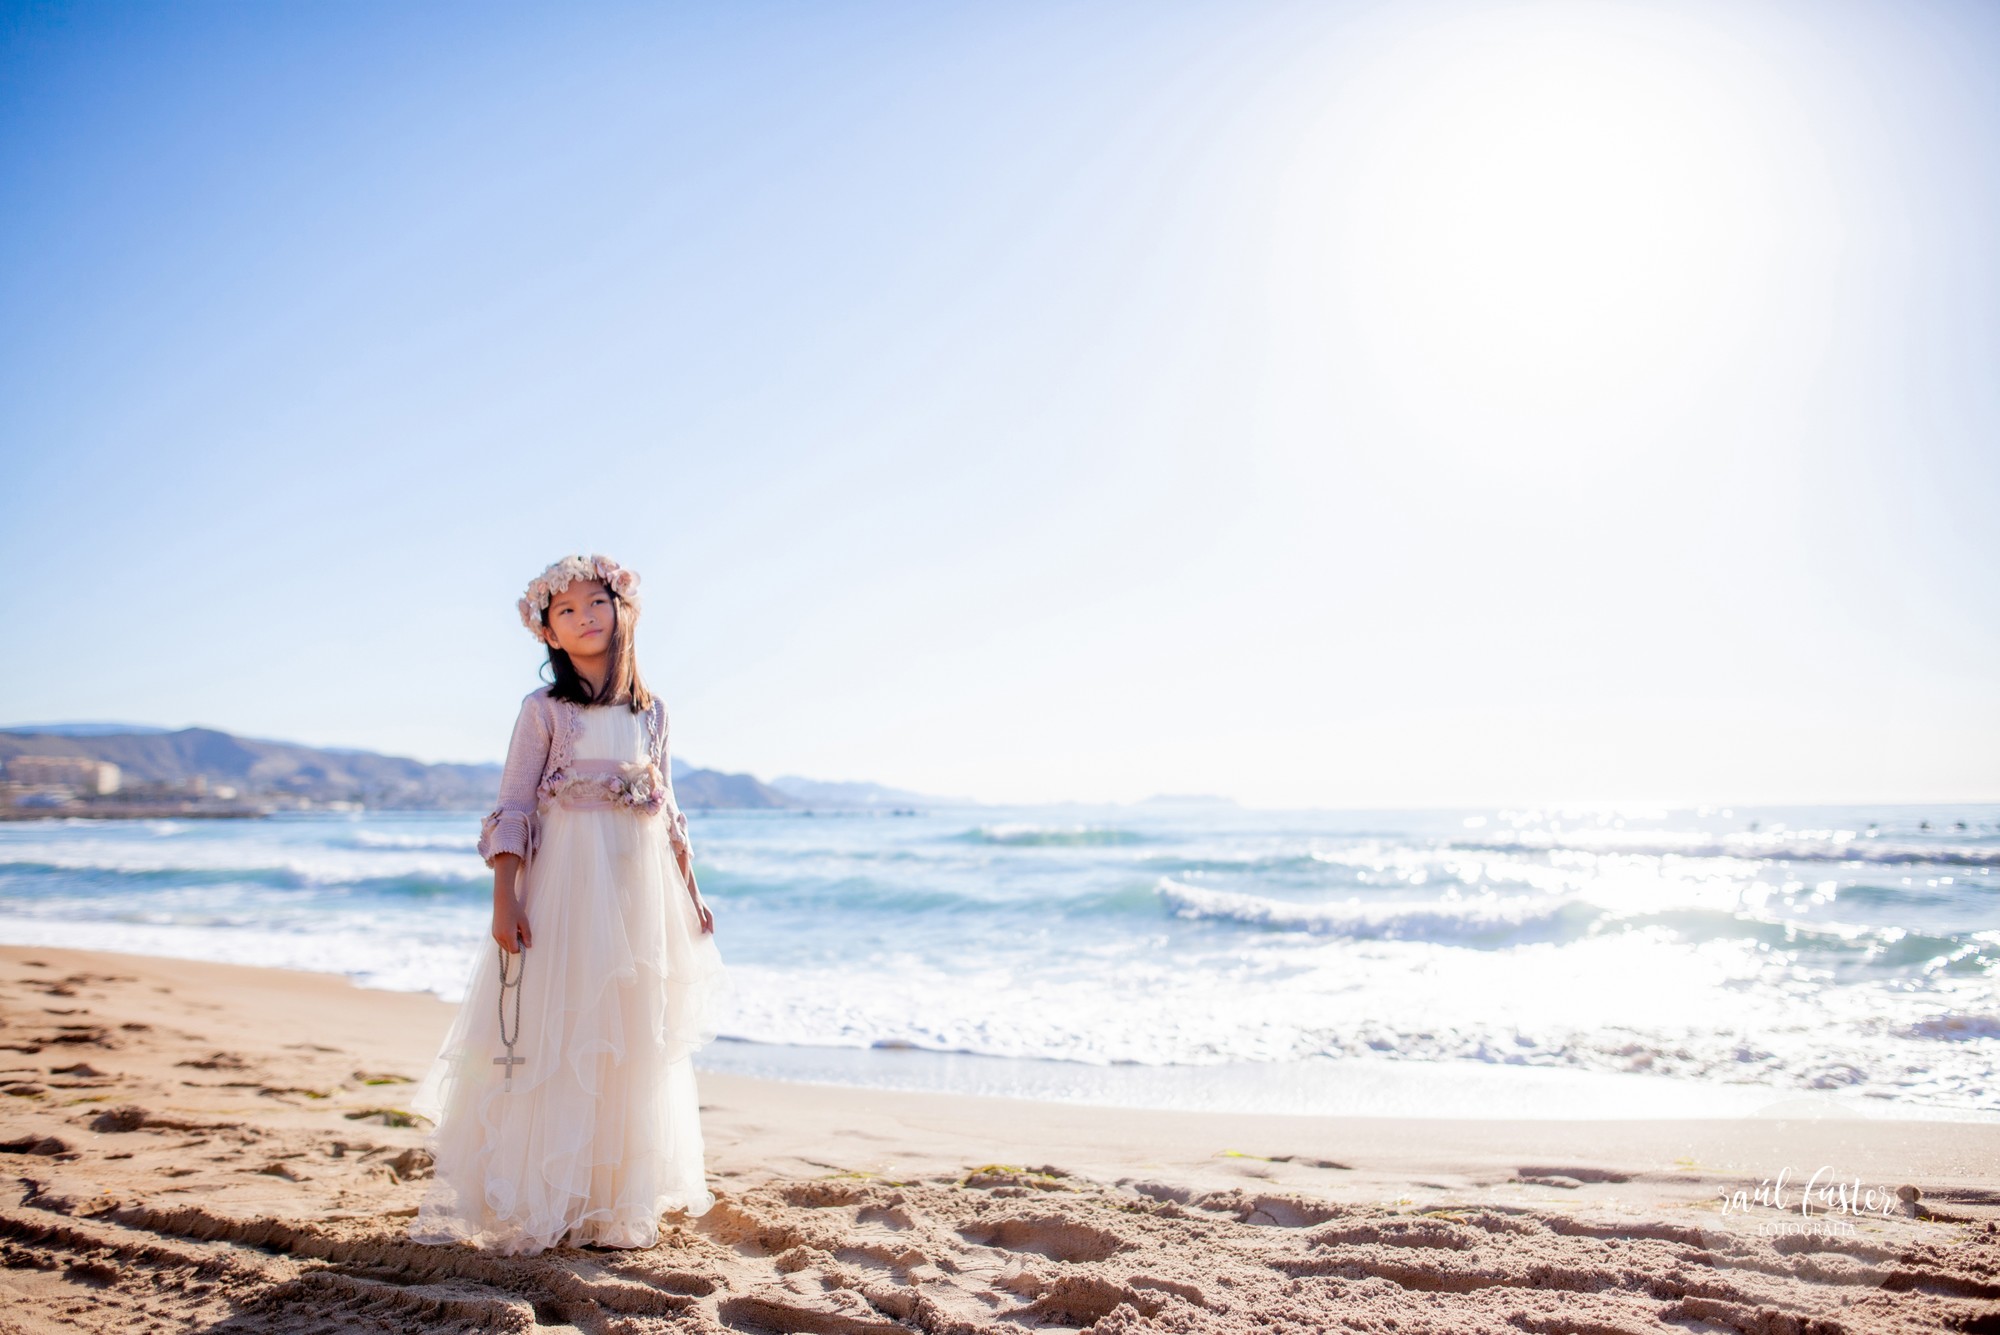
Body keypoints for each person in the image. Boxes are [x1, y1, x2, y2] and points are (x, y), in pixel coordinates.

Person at [407, 553, 727, 1254]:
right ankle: (546, 1196)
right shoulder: (542, 710)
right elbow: (514, 805)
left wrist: (692, 895)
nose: (585, 617)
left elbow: (668, 810)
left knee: (628, 1037)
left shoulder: (653, 711)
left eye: (597, 603)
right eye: (567, 611)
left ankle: (614, 1200)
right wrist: (504, 896)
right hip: (563, 892)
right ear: (548, 632)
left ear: (623, 610)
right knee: (559, 1034)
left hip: (637, 895)